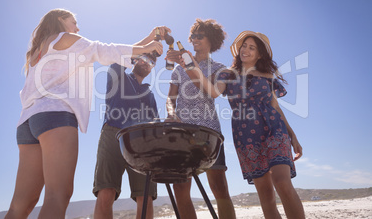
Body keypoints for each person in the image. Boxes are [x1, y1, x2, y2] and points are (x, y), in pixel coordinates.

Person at [5, 8, 163, 219]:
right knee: (57, 196)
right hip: (55, 116)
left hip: (28, 121)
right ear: (60, 20)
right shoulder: (64, 37)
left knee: (20, 206)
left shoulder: (37, 51)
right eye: (73, 22)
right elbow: (103, 50)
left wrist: (148, 41)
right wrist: (147, 45)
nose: (77, 28)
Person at [184, 30, 305, 219]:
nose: (245, 50)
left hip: (274, 129)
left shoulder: (267, 75)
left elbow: (276, 107)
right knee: (265, 195)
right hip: (246, 135)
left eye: (252, 47)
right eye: (244, 46)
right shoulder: (227, 74)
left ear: (259, 54)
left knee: (282, 182)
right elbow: (213, 92)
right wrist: (191, 66)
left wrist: (292, 136)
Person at [92, 26, 170, 219]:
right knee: (106, 192)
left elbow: (156, 126)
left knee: (145, 196)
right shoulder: (117, 75)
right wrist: (151, 38)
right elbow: (121, 53)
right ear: (135, 58)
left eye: (152, 61)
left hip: (142, 143)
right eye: (144, 56)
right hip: (113, 135)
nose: (147, 61)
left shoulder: (149, 94)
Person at [165, 19, 236, 219]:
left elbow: (209, 91)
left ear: (211, 41)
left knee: (219, 187)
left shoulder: (220, 69)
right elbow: (171, 98)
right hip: (181, 134)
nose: (194, 40)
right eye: (193, 36)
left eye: (200, 36)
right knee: (180, 187)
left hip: (208, 132)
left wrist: (189, 63)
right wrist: (171, 114)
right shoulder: (179, 68)